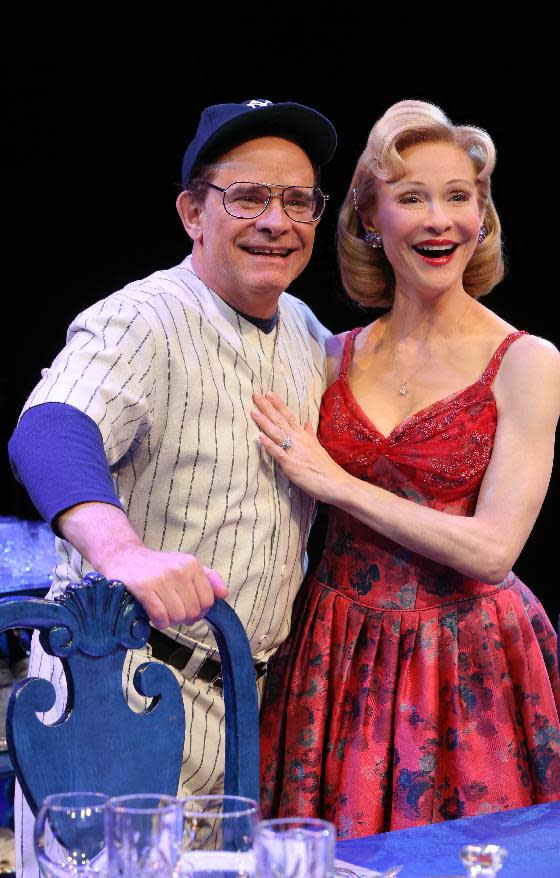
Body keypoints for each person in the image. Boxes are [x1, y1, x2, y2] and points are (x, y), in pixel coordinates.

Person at [8, 97, 336, 874]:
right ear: (193, 211)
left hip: (245, 701)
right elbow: (51, 429)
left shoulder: (307, 332)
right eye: (249, 197)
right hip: (116, 692)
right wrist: (123, 550)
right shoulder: (143, 318)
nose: (277, 221)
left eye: (298, 200)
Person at [251, 99, 560, 838]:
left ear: (482, 215)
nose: (440, 220)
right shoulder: (331, 354)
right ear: (370, 218)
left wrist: (337, 483)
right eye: (412, 198)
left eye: (460, 197)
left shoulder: (525, 362)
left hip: (467, 657)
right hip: (335, 650)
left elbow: (494, 551)